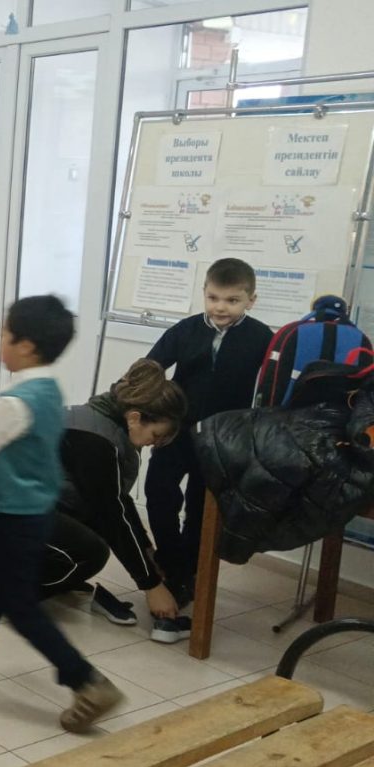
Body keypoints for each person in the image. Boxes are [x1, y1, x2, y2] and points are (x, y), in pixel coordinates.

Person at [0, 295, 124, 733]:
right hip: (31, 512)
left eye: (5, 334)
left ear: (26, 346)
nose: (0, 340)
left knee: (18, 604)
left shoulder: (11, 405)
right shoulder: (47, 391)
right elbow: (2, 430)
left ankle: (86, 681)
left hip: (5, 516)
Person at [145, 258, 271, 607]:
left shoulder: (262, 338)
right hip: (176, 431)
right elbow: (149, 369)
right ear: (204, 293)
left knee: (202, 508)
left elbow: (271, 390)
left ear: (251, 300)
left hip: (222, 440)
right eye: (213, 298)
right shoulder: (185, 330)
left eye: (232, 300)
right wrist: (150, 411)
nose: (220, 307)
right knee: (158, 492)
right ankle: (170, 560)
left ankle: (188, 571)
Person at [61, 359, 190, 641]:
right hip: (4, 520)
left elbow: (117, 499)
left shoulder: (107, 423)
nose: (155, 444)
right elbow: (111, 516)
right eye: (156, 435)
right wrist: (151, 586)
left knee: (95, 531)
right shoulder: (94, 440)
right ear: (134, 417)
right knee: (92, 551)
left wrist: (147, 551)